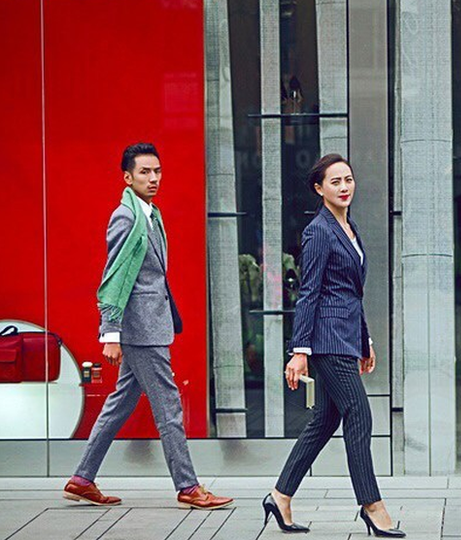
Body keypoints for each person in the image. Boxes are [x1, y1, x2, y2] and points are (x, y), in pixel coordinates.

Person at [63, 143, 233, 510]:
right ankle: (188, 486)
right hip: (142, 330)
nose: (153, 178)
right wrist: (110, 332)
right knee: (169, 405)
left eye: (157, 171)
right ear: (127, 177)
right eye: (144, 172)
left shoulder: (150, 214)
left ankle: (82, 477)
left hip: (150, 325)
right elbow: (114, 276)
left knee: (120, 403)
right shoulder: (126, 217)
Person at [262, 154, 405, 537]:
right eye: (335, 181)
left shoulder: (349, 227)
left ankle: (280, 496)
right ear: (319, 188)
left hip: (345, 336)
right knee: (359, 414)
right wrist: (299, 350)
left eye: (348, 179)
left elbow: (349, 293)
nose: (344, 187)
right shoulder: (319, 231)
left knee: (325, 420)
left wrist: (365, 339)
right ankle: (372, 506)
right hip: (326, 340)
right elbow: (310, 293)